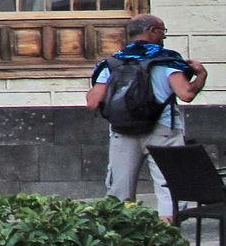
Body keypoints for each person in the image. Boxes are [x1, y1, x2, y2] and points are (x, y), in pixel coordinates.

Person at [86, 12, 206, 218]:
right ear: (152, 31)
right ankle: (167, 238)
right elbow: (186, 94)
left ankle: (124, 240)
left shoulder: (112, 63)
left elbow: (92, 102)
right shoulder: (167, 60)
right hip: (163, 130)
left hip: (122, 131)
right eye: (162, 31)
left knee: (119, 191)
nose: (164, 36)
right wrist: (201, 74)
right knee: (169, 187)